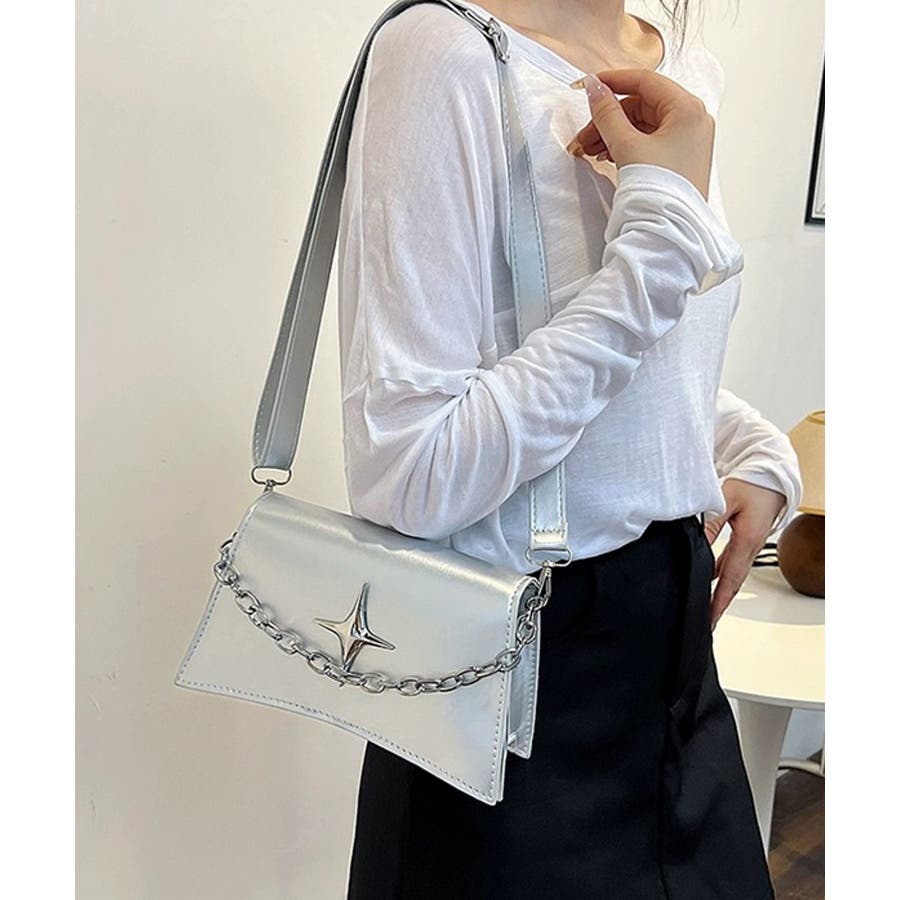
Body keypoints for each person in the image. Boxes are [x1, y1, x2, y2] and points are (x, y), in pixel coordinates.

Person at [336, 1, 802, 897]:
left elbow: (641, 368)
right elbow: (410, 472)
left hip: (674, 668)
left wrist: (747, 445)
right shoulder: (446, 56)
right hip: (513, 696)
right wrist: (658, 246)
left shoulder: (683, 68)